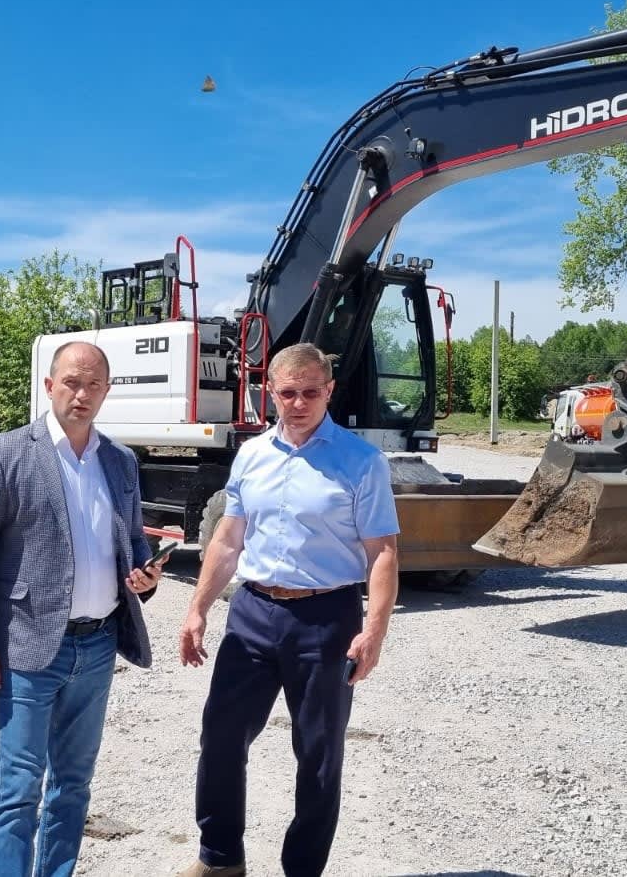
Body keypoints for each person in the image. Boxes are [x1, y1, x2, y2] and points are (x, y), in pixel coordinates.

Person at [175, 342, 401, 877]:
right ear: (269, 393)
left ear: (329, 391)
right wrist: (197, 607)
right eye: (288, 393)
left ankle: (302, 870)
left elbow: (383, 552)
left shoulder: (361, 462)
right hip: (252, 613)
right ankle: (220, 860)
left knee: (319, 755)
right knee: (221, 736)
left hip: (325, 620)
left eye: (310, 392)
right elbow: (228, 540)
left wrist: (374, 630)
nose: (298, 403)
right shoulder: (252, 455)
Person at [0, 340, 169, 877]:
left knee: (73, 786)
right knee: (17, 789)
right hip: (27, 648)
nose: (82, 394)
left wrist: (144, 577)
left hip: (96, 647)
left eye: (94, 384)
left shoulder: (120, 461)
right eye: (72, 382)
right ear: (49, 386)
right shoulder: (6, 453)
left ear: (106, 391)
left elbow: (132, 546)